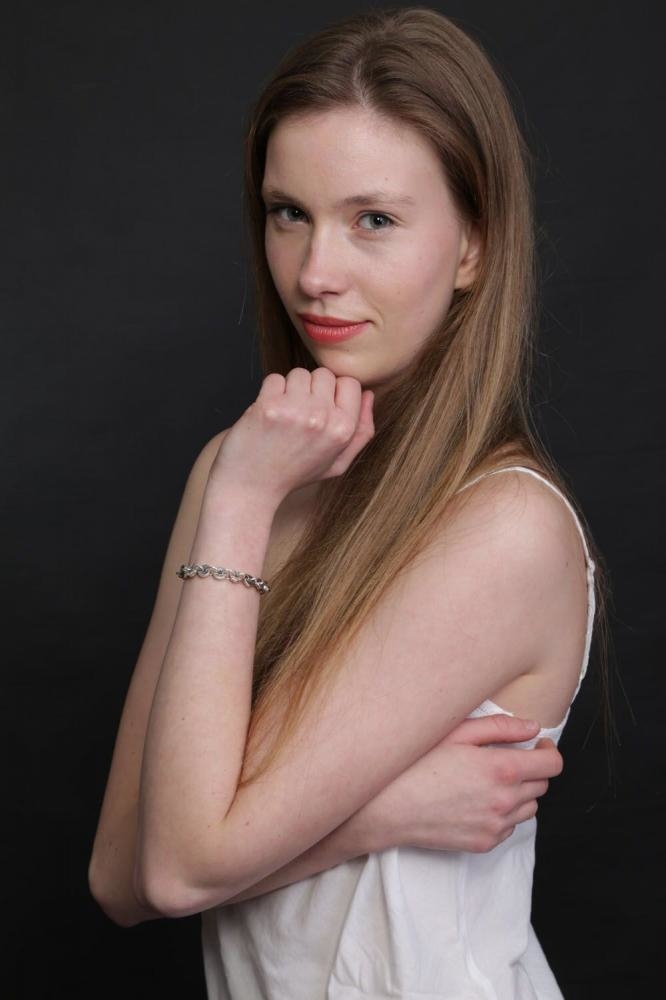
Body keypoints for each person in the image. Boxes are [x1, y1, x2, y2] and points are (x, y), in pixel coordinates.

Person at [88, 6, 609, 997]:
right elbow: (122, 875)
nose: (315, 274)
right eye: (289, 213)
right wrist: (378, 814)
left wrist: (238, 497)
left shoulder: (506, 528)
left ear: (473, 246)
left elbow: (180, 867)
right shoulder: (242, 474)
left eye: (374, 220)